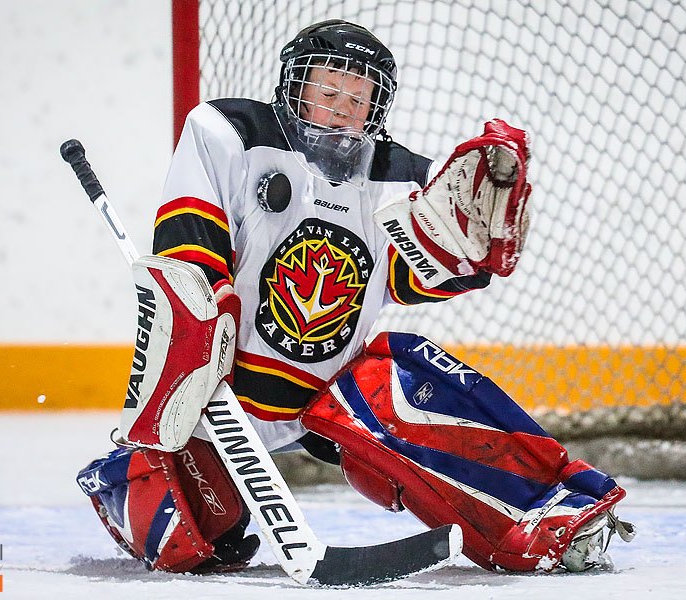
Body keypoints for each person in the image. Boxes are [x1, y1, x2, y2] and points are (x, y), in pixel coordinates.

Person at [77, 20, 633, 577]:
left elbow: (418, 273)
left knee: (408, 372)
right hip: (219, 389)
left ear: (377, 107)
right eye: (327, 90)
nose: (343, 106)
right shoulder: (231, 133)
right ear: (295, 85)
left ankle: (545, 513)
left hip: (326, 398)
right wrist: (196, 325)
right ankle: (171, 492)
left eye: (359, 96)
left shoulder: (400, 179)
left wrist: (468, 250)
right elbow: (189, 254)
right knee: (165, 521)